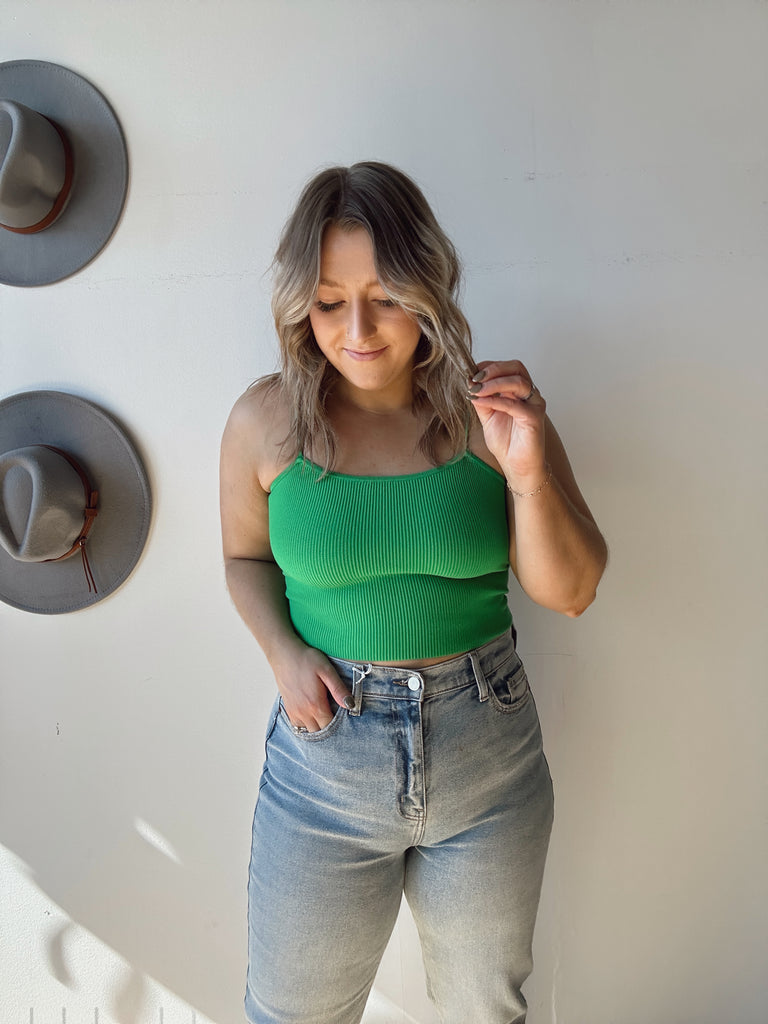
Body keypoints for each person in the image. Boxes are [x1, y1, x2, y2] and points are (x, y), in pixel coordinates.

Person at [220, 161, 607, 1024]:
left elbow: (574, 591)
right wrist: (283, 653)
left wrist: (526, 470)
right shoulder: (264, 421)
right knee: (291, 1013)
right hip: (325, 761)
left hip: (487, 754)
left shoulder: (491, 414)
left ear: (427, 286)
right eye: (329, 302)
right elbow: (244, 560)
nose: (356, 330)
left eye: (386, 297)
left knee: (483, 1011)